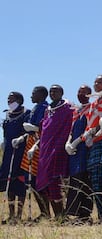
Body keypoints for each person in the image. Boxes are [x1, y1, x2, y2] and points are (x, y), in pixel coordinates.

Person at [36, 84, 73, 221]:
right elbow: (43, 130)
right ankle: (56, 215)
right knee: (46, 184)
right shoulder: (47, 110)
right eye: (51, 91)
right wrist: (36, 146)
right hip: (45, 153)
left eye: (56, 91)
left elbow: (70, 126)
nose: (52, 93)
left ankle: (61, 214)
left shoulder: (67, 109)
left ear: (61, 93)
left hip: (58, 150)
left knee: (56, 183)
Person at [64, 85, 93, 224]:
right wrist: (68, 143)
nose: (80, 94)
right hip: (74, 153)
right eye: (79, 91)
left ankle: (85, 215)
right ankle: (73, 214)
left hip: (86, 150)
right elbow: (71, 130)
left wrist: (76, 142)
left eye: (84, 92)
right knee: (74, 180)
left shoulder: (92, 108)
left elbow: (90, 128)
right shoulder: (76, 111)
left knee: (85, 181)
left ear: (90, 94)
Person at [19, 86, 49, 221]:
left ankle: (45, 212)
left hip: (38, 144)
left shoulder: (44, 108)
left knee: (37, 180)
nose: (31, 96)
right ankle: (43, 212)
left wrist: (34, 129)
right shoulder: (36, 107)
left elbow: (42, 129)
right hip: (31, 142)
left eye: (33, 94)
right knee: (32, 181)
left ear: (41, 94)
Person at [0, 92, 30, 224]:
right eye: (8, 99)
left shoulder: (26, 113)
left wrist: (20, 139)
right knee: (9, 183)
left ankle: (19, 214)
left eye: (11, 99)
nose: (9, 101)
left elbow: (28, 132)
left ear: (19, 100)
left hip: (20, 151)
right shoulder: (7, 115)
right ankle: (11, 215)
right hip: (8, 152)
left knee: (19, 182)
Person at [84, 75, 102, 223]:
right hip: (92, 143)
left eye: (100, 82)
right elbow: (89, 124)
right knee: (95, 180)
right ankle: (101, 215)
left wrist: (93, 131)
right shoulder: (93, 103)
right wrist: (86, 136)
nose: (96, 84)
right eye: (95, 82)